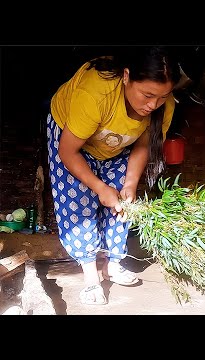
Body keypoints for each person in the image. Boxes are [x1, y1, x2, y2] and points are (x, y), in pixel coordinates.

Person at [46, 46, 182, 305]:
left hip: (115, 142)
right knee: (77, 198)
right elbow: (68, 151)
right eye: (147, 95)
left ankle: (112, 263)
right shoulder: (95, 93)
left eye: (162, 97)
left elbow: (143, 145)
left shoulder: (165, 105)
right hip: (71, 138)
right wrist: (99, 187)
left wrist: (130, 184)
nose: (153, 105)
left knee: (122, 200)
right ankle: (90, 277)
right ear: (127, 76)